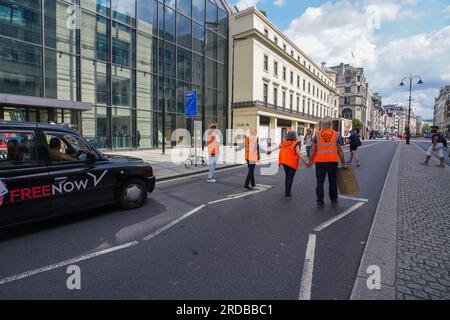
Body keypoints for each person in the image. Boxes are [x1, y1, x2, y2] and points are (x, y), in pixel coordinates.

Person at [308, 117, 348, 208]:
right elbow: (339, 150)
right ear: (330, 124)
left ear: (323, 124)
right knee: (332, 182)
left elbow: (312, 149)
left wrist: (310, 160)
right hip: (332, 161)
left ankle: (320, 202)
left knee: (320, 182)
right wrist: (343, 163)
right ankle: (333, 200)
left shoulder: (317, 135)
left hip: (320, 162)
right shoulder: (336, 135)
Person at [269, 130, 308, 198]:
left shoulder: (284, 142)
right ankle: (288, 194)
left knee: (287, 177)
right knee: (290, 178)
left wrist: (270, 151)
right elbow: (299, 154)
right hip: (291, 163)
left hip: (284, 162)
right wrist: (305, 162)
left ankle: (287, 192)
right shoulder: (295, 143)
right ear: (294, 136)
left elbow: (278, 147)